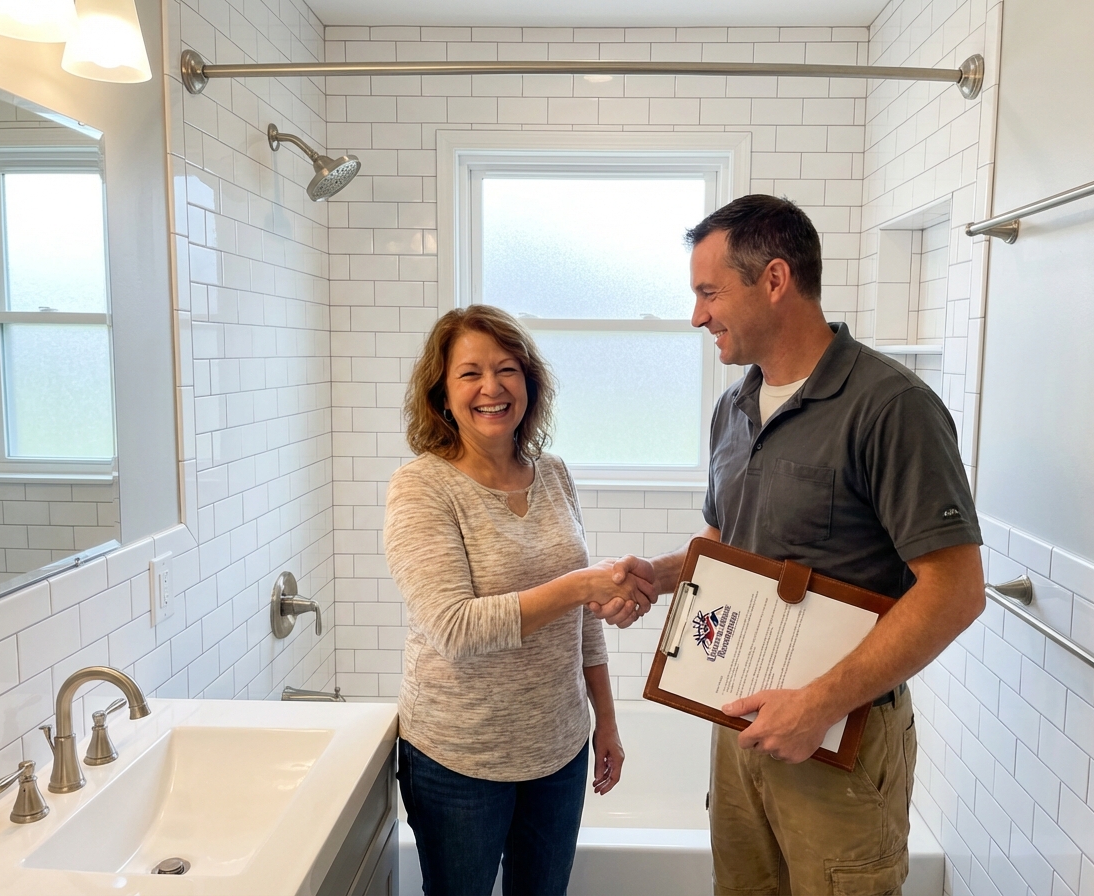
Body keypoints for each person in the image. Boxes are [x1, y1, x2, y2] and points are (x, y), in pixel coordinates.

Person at [599, 195, 986, 895]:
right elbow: (728, 540)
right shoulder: (734, 406)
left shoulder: (891, 406)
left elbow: (956, 591)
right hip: (737, 725)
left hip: (839, 740)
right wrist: (658, 575)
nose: (696, 316)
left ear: (774, 279)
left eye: (709, 292)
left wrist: (817, 705)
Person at [383, 304, 654, 896]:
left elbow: (582, 621)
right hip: (460, 759)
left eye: (507, 369)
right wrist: (582, 585)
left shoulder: (553, 474)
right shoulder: (421, 487)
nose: (492, 387)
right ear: (441, 393)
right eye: (470, 373)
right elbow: (455, 628)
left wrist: (606, 721)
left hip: (559, 749)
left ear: (529, 383)